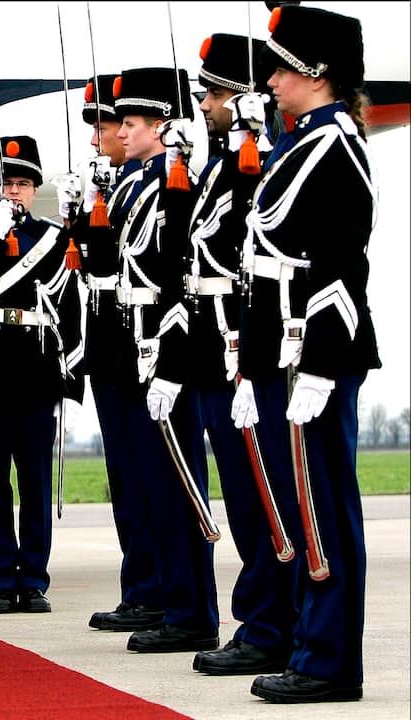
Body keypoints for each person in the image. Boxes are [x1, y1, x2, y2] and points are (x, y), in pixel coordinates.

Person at [238, 6, 377, 703]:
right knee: (303, 507)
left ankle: (329, 662)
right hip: (284, 347)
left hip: (315, 349)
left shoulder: (334, 145)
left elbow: (341, 263)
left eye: (282, 65)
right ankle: (310, 646)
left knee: (325, 509)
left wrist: (321, 362)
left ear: (316, 73)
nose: (271, 79)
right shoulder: (302, 142)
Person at [166, 34, 302, 678]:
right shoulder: (221, 162)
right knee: (245, 499)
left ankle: (272, 622)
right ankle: (262, 619)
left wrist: (258, 142)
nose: (205, 104)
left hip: (243, 344)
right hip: (210, 345)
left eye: (216, 93)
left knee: (261, 497)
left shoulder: (267, 157)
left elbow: (261, 240)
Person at [97, 66, 218, 654]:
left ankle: (190, 607)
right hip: (132, 334)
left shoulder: (173, 179)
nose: (120, 131)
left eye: (131, 122)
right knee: (149, 481)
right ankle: (173, 600)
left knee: (173, 482)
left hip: (160, 340)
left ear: (160, 126)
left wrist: (165, 354)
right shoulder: (134, 181)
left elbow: (172, 270)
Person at [0, 136, 83, 615]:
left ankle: (35, 578)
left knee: (35, 478)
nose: (15, 192)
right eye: (7, 183)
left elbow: (70, 308)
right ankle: (3, 579)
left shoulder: (54, 237)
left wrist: (72, 373)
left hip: (36, 361)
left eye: (23, 183)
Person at [57, 74, 164, 633]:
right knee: (125, 472)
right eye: (105, 124)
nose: (103, 135)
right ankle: (140, 584)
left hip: (136, 337)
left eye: (114, 124)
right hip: (108, 339)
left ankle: (159, 587)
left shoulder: (155, 183)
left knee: (150, 471)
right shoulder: (120, 184)